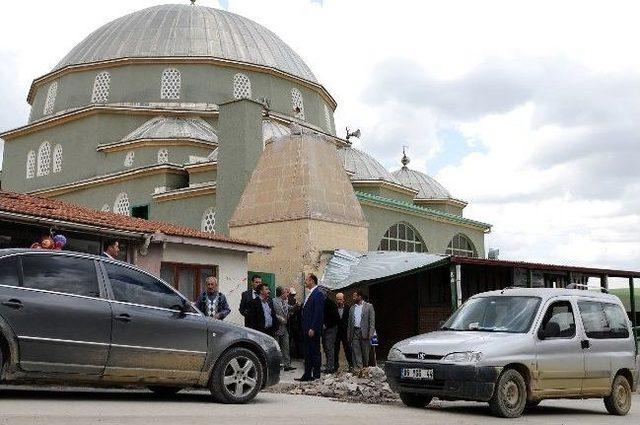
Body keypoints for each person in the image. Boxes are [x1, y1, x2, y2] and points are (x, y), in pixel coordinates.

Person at [295, 273, 325, 382]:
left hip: (312, 329)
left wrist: (313, 328)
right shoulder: (310, 294)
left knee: (314, 352)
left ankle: (316, 375)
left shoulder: (318, 294)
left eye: (307, 280)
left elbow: (318, 313)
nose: (305, 282)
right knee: (307, 352)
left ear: (312, 280)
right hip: (306, 328)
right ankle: (307, 374)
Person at [347, 290, 376, 370]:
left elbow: (372, 321)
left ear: (360, 297)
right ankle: (359, 368)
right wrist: (349, 334)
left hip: (365, 332)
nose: (353, 297)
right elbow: (349, 323)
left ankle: (365, 367)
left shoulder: (369, 306)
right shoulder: (352, 308)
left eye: (355, 296)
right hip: (355, 331)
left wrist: (371, 333)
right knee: (356, 351)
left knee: (365, 351)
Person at [273, 286, 296, 371]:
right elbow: (272, 312)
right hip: (277, 327)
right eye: (286, 292)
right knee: (276, 347)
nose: (288, 294)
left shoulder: (285, 301)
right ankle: (276, 365)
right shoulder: (274, 301)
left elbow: (289, 308)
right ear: (281, 293)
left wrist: (295, 306)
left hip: (284, 327)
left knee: (286, 346)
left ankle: (287, 365)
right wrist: (279, 318)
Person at [334, 292, 353, 371]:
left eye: (340, 299)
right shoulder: (334, 308)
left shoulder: (348, 308)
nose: (339, 301)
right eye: (338, 299)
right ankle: (335, 366)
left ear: (343, 299)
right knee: (335, 350)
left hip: (345, 332)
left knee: (347, 349)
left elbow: (351, 321)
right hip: (336, 333)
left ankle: (351, 365)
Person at [321, 294, 340, 373]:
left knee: (329, 347)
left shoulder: (330, 303)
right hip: (325, 329)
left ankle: (330, 368)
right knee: (326, 347)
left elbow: (336, 318)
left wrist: (327, 325)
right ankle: (328, 366)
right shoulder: (324, 302)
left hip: (330, 329)